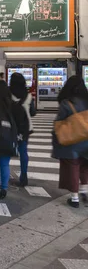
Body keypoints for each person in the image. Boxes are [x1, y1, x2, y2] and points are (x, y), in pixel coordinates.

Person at [52, 75, 88, 208]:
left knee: (73, 167)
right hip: (87, 139)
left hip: (73, 140)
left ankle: (74, 198)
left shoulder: (67, 103)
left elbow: (59, 122)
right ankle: (85, 190)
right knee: (84, 166)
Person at [10, 72, 35, 187]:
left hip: (11, 127)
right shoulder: (29, 96)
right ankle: (23, 176)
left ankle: (5, 174)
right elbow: (33, 113)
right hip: (25, 128)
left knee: (7, 151)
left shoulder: (9, 95)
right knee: (23, 151)